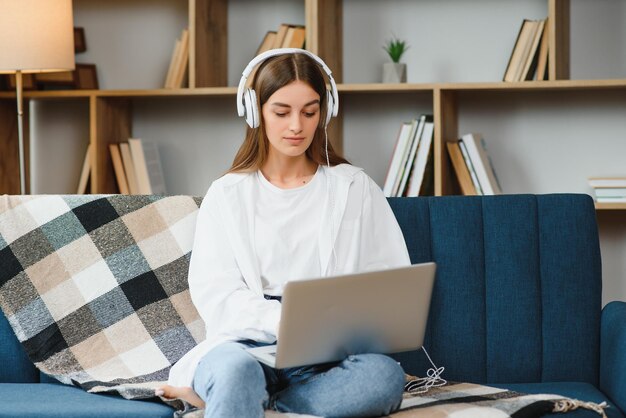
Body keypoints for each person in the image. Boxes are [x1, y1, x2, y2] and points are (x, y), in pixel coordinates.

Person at [157, 48, 411, 417]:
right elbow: (217, 294)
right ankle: (240, 392)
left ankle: (263, 404)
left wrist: (332, 327)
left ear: (325, 112)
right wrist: (284, 321)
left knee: (383, 377)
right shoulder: (227, 194)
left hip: (326, 355)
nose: (297, 126)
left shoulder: (354, 187)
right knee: (234, 372)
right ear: (254, 111)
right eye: (281, 112)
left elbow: (390, 280)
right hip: (245, 348)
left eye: (309, 112)